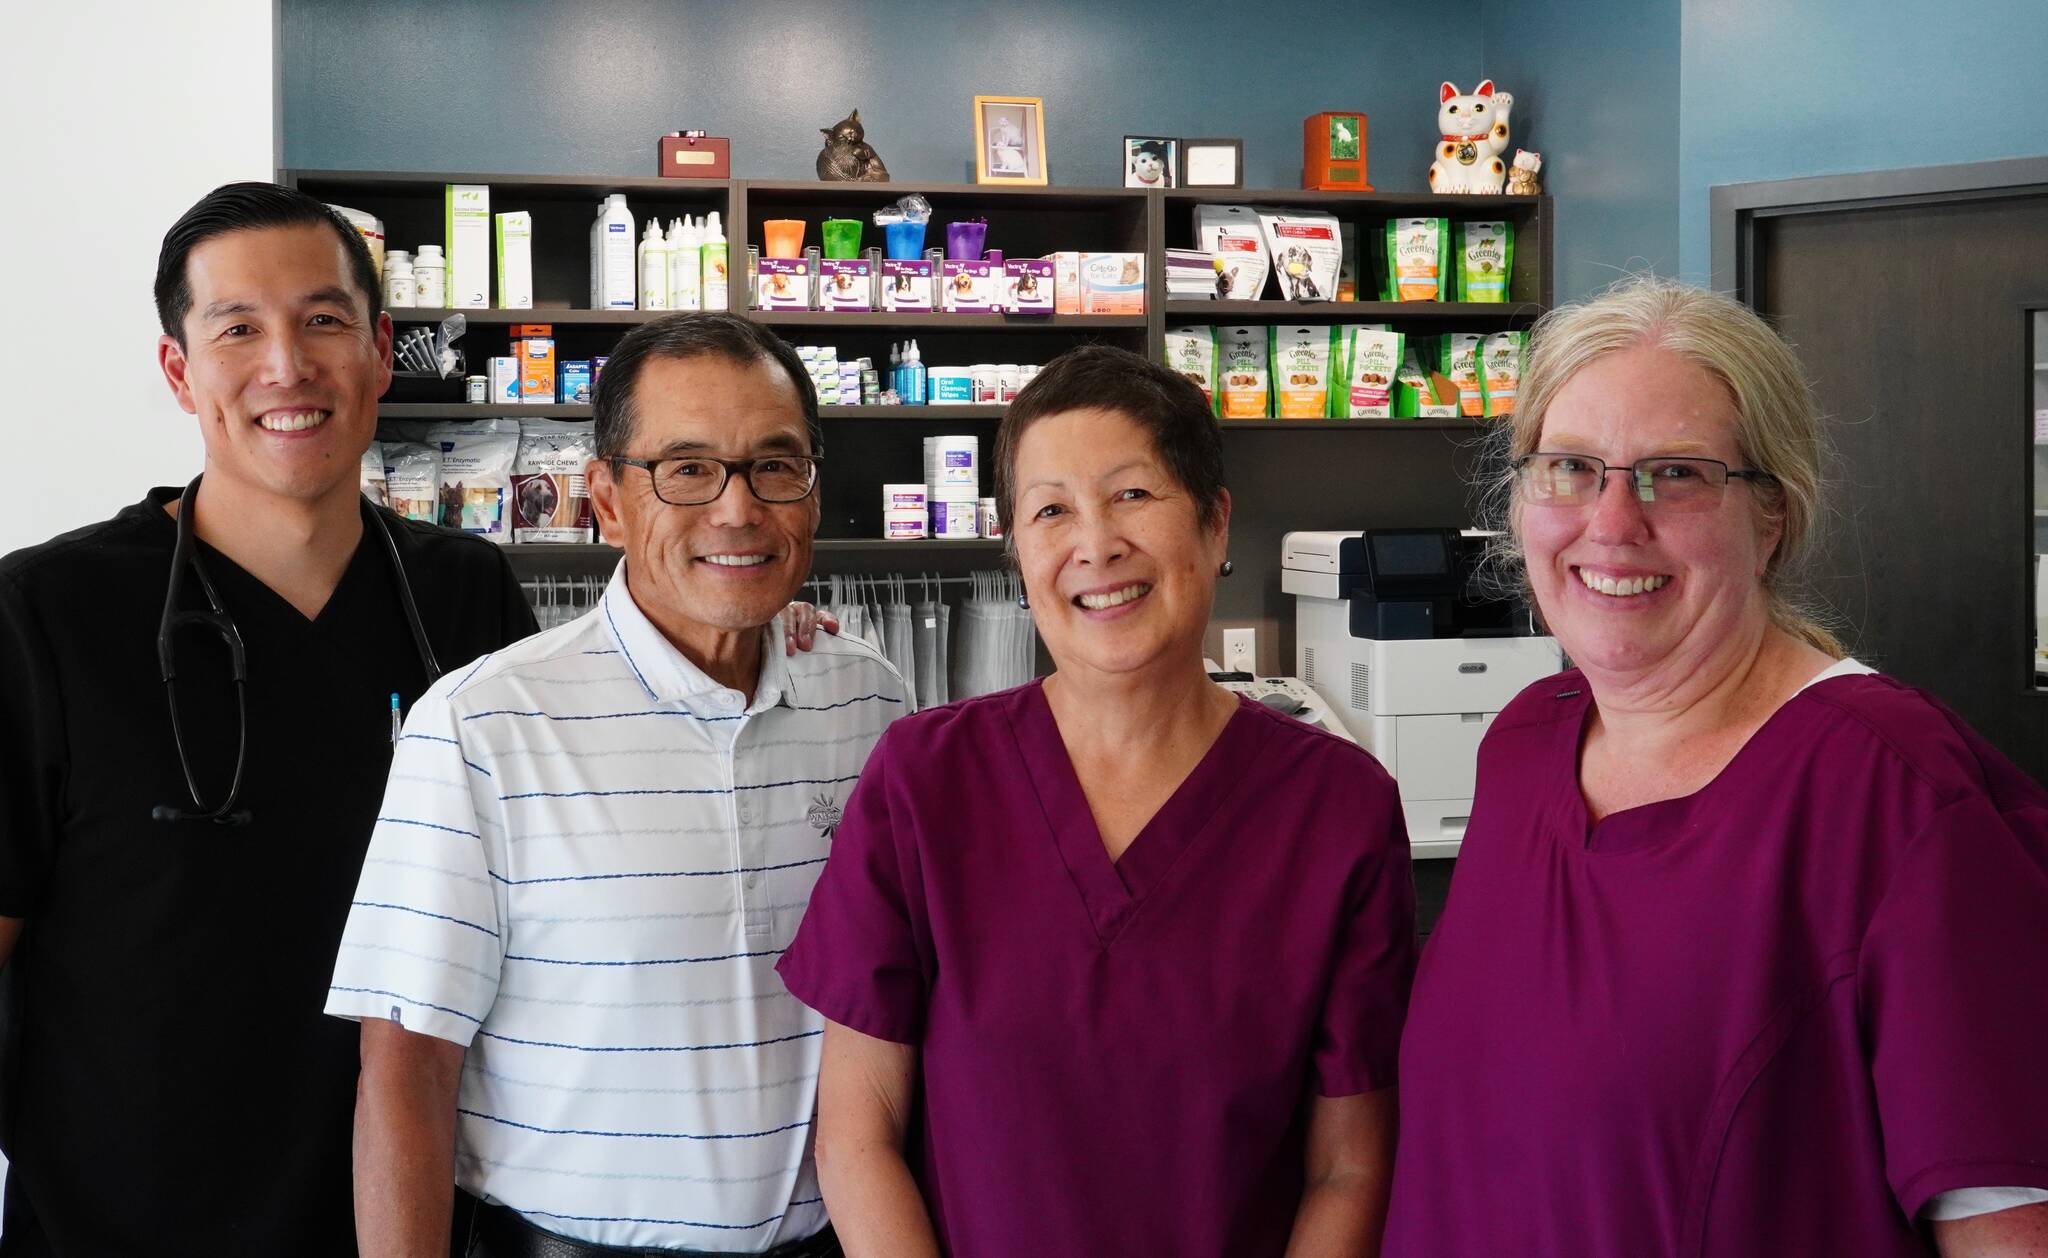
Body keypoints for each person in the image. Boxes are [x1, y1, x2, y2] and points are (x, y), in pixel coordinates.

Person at [1383, 276, 2048, 1258]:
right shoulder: (1525, 744)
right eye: (1569, 467)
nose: (1610, 524)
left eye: (1675, 473)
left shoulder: (1893, 793)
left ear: (1770, 514)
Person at [777, 345, 1416, 1258]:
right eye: (1050, 511)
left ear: (1215, 523)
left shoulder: (1337, 809)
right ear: (1017, 550)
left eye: (1132, 495)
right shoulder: (925, 779)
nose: (1095, 544)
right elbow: (858, 1131)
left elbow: (1348, 1168)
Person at [0, 183, 538, 1253]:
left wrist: (764, 627)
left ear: (382, 351)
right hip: (114, 1229)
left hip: (421, 1222)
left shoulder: (466, 600)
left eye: (324, 320)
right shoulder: (45, 615)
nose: (287, 365)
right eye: (238, 327)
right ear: (179, 370)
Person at [328, 312, 905, 1256]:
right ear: (604, 500)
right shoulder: (481, 727)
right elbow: (406, 1069)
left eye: (775, 464)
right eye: (684, 468)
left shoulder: (871, 702)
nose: (737, 509)